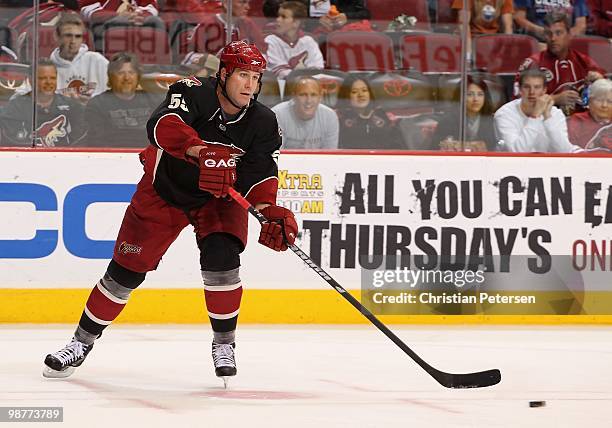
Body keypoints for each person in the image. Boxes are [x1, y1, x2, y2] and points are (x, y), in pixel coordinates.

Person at [42, 41, 298, 384]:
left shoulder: (263, 121)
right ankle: (79, 343)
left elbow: (261, 172)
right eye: (242, 76)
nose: (250, 85)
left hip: (218, 199)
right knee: (124, 274)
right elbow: (162, 125)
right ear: (224, 74)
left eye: (255, 77)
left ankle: (224, 344)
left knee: (223, 263)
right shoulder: (190, 90)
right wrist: (198, 150)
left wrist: (270, 210)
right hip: (164, 191)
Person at [515, 11, 605, 114]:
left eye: (558, 33)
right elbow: (518, 102)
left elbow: (607, 96)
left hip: (582, 123)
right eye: (549, 34)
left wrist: (600, 81)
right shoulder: (532, 64)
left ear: (569, 35)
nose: (553, 38)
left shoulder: (585, 62)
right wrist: (555, 99)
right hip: (542, 123)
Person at [80, 52, 162, 148]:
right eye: (121, 73)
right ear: (110, 76)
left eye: (131, 72)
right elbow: (97, 142)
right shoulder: (97, 104)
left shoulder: (154, 101)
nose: (127, 78)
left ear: (138, 76)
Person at [0, 58, 86, 146]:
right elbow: (13, 143)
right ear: (30, 80)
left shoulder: (72, 106)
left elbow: (80, 141)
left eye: (52, 78)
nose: (49, 82)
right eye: (43, 78)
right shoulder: (14, 108)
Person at [495, 68, 579, 152]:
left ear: (544, 90)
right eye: (527, 87)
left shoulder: (555, 113)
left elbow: (564, 151)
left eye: (537, 87)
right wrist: (535, 116)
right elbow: (516, 152)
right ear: (520, 90)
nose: (532, 92)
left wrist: (547, 118)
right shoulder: (505, 114)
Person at [50, 13, 109, 103]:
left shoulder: (97, 60)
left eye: (78, 36)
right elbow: (25, 93)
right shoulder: (47, 67)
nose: (73, 41)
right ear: (57, 37)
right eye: (68, 36)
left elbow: (114, 92)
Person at [336, 75, 402, 150]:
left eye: (364, 90)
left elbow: (398, 148)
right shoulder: (338, 120)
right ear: (347, 96)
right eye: (354, 92)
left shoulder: (387, 118)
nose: (361, 95)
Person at [432, 75, 497, 152]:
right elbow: (436, 145)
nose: (475, 99)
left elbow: (493, 146)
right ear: (460, 97)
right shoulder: (447, 120)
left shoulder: (491, 120)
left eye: (480, 94)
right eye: (469, 94)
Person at [181, 0, 266, 57]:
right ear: (226, 3)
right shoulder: (208, 24)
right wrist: (205, 60)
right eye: (242, 2)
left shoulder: (249, 24)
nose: (248, 7)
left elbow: (263, 53)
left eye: (248, 2)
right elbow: (187, 55)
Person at [272, 76, 339, 148]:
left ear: (320, 97)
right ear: (294, 96)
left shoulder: (330, 117)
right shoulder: (277, 115)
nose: (308, 101)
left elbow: (330, 155)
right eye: (303, 95)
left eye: (313, 95)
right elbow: (276, 154)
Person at [264, 1, 324, 79]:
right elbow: (279, 71)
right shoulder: (270, 41)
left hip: (307, 86)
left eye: (283, 17)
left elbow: (317, 68)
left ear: (296, 22)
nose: (278, 20)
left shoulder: (309, 41)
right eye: (278, 16)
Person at [80, 0, 166, 52]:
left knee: (156, 22)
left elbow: (151, 6)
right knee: (103, 27)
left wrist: (137, 14)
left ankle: (159, 69)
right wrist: (118, 16)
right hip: (108, 21)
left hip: (136, 18)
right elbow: (88, 11)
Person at [567, 78, 612, 148]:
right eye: (599, 100)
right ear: (590, 101)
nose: (604, 105)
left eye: (610, 101)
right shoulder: (577, 120)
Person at [513, 0, 588, 41]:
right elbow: (519, 18)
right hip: (538, 40)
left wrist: (564, 37)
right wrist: (540, 31)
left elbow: (581, 25)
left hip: (566, 41)